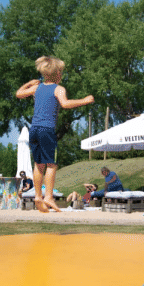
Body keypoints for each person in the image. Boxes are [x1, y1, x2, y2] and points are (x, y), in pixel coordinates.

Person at [16, 56, 94, 213]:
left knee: (38, 165)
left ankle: (38, 196)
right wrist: (85, 100)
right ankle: (49, 197)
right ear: (57, 73)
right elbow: (65, 104)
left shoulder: (37, 88)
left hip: (34, 130)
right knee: (51, 164)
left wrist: (30, 83)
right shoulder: (59, 89)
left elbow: (19, 93)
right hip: (47, 130)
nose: (61, 74)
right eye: (61, 71)